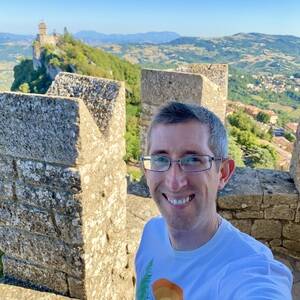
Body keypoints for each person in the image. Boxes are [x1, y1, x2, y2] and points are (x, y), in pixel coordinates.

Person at [135, 101, 292, 300]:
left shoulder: (250, 269)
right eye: (160, 159)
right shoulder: (152, 233)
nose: (174, 182)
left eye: (193, 160)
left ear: (223, 173)